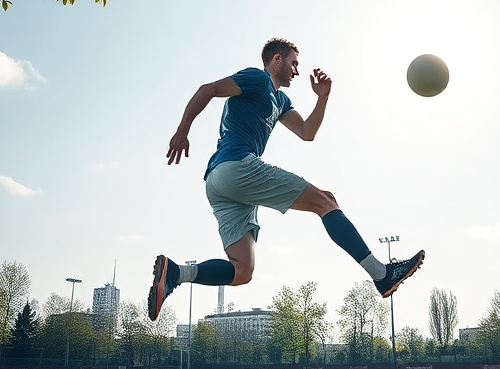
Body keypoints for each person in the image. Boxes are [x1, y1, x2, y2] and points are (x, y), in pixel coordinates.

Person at [149, 37, 424, 320]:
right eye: (293, 63)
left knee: (242, 271)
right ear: (277, 60)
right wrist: (183, 130)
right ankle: (382, 274)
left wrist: (323, 97)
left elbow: (307, 132)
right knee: (325, 201)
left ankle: (176, 273)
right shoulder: (257, 79)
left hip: (219, 183)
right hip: (236, 165)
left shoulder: (280, 100)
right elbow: (209, 89)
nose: (296, 70)